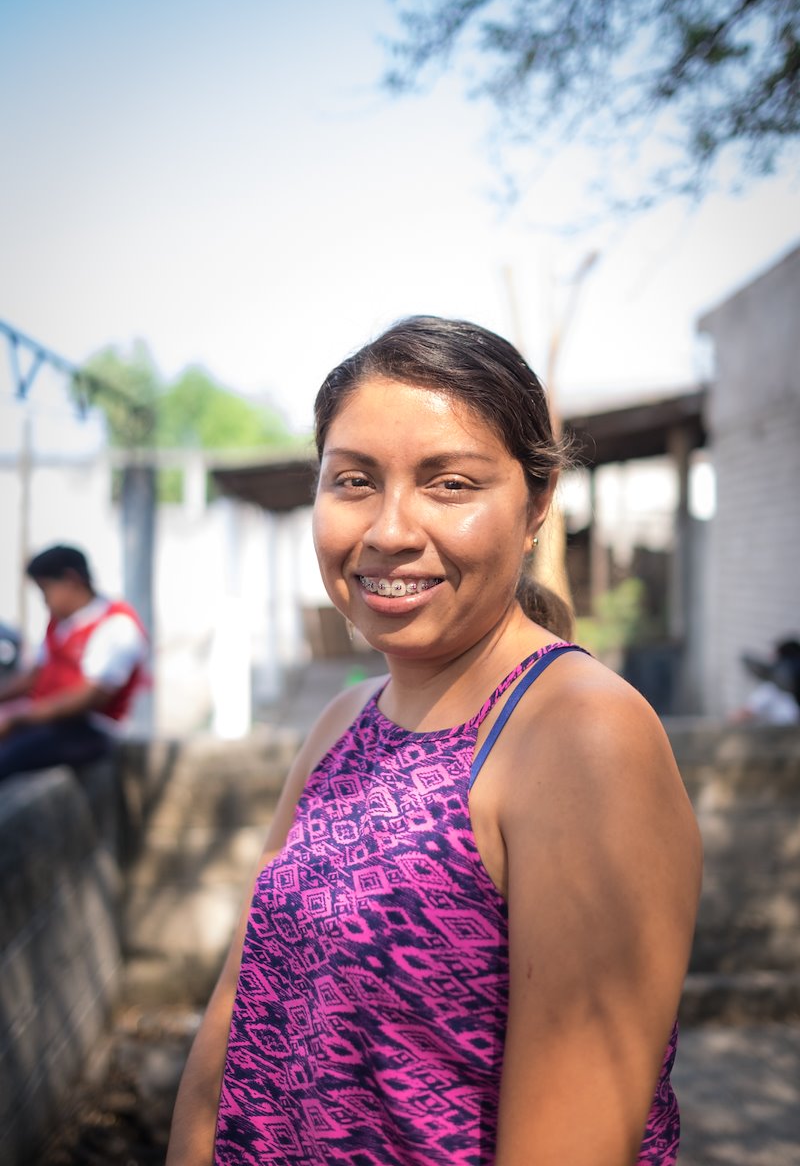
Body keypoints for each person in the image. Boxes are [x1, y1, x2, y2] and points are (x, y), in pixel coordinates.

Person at [167, 317, 702, 1166]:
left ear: (535, 507)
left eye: (448, 484)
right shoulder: (343, 726)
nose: (388, 530)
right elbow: (237, 1022)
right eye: (352, 481)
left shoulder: (579, 737)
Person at [0, 544, 148, 783]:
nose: (45, 601)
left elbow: (89, 698)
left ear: (71, 580)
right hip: (48, 720)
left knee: (9, 757)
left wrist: (18, 717)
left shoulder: (117, 626)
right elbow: (34, 676)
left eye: (46, 590)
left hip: (89, 730)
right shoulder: (60, 623)